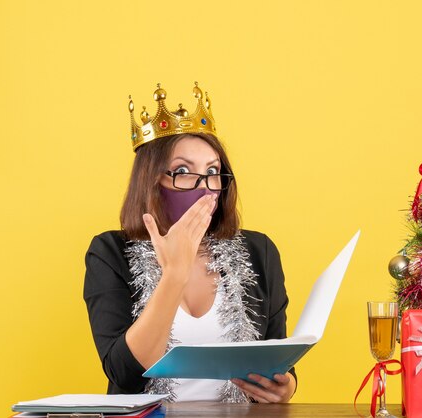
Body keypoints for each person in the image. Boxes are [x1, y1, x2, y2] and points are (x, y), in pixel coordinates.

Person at [83, 82, 296, 403]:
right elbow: (122, 373)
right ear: (151, 180)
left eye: (213, 171)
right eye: (183, 170)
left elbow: (277, 353)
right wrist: (175, 274)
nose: (205, 186)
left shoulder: (258, 250)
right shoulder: (109, 252)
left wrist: (286, 386)